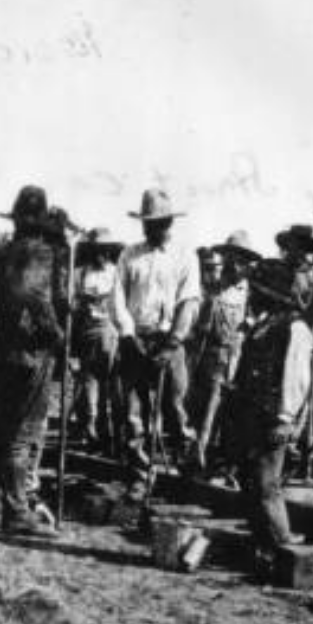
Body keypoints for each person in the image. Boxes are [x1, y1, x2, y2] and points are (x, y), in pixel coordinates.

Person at [0, 185, 68, 536]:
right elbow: (35, 295)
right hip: (31, 354)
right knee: (21, 434)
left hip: (1, 351)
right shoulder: (40, 253)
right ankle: (16, 511)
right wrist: (55, 331)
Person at [113, 188, 201, 501]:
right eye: (148, 223)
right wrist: (126, 334)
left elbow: (189, 302)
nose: (153, 228)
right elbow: (118, 297)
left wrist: (173, 341)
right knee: (134, 413)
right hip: (136, 338)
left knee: (175, 408)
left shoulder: (184, 255)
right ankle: (139, 476)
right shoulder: (129, 254)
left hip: (169, 339)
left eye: (159, 222)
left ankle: (188, 474)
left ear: (169, 222)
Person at [227, 258, 313, 571]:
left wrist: (286, 418)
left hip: (272, 417)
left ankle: (282, 546)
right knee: (250, 482)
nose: (251, 294)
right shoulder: (264, 325)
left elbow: (297, 377)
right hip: (251, 415)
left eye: (256, 289)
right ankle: (261, 545)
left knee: (266, 483)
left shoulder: (294, 328)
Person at [187, 231, 258, 473]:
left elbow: (254, 321)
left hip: (239, 357)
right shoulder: (214, 288)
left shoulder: (250, 292)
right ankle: (198, 457)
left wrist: (249, 325)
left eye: (240, 260)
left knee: (233, 414)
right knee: (206, 408)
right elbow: (201, 326)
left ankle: (227, 464)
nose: (234, 264)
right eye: (230, 258)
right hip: (213, 356)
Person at [71, 228, 123, 454]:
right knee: (88, 382)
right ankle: (88, 430)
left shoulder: (117, 273)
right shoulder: (80, 274)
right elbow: (71, 305)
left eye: (105, 250)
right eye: (96, 250)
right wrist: (82, 303)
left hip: (111, 333)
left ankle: (108, 434)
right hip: (87, 333)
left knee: (110, 385)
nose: (101, 255)